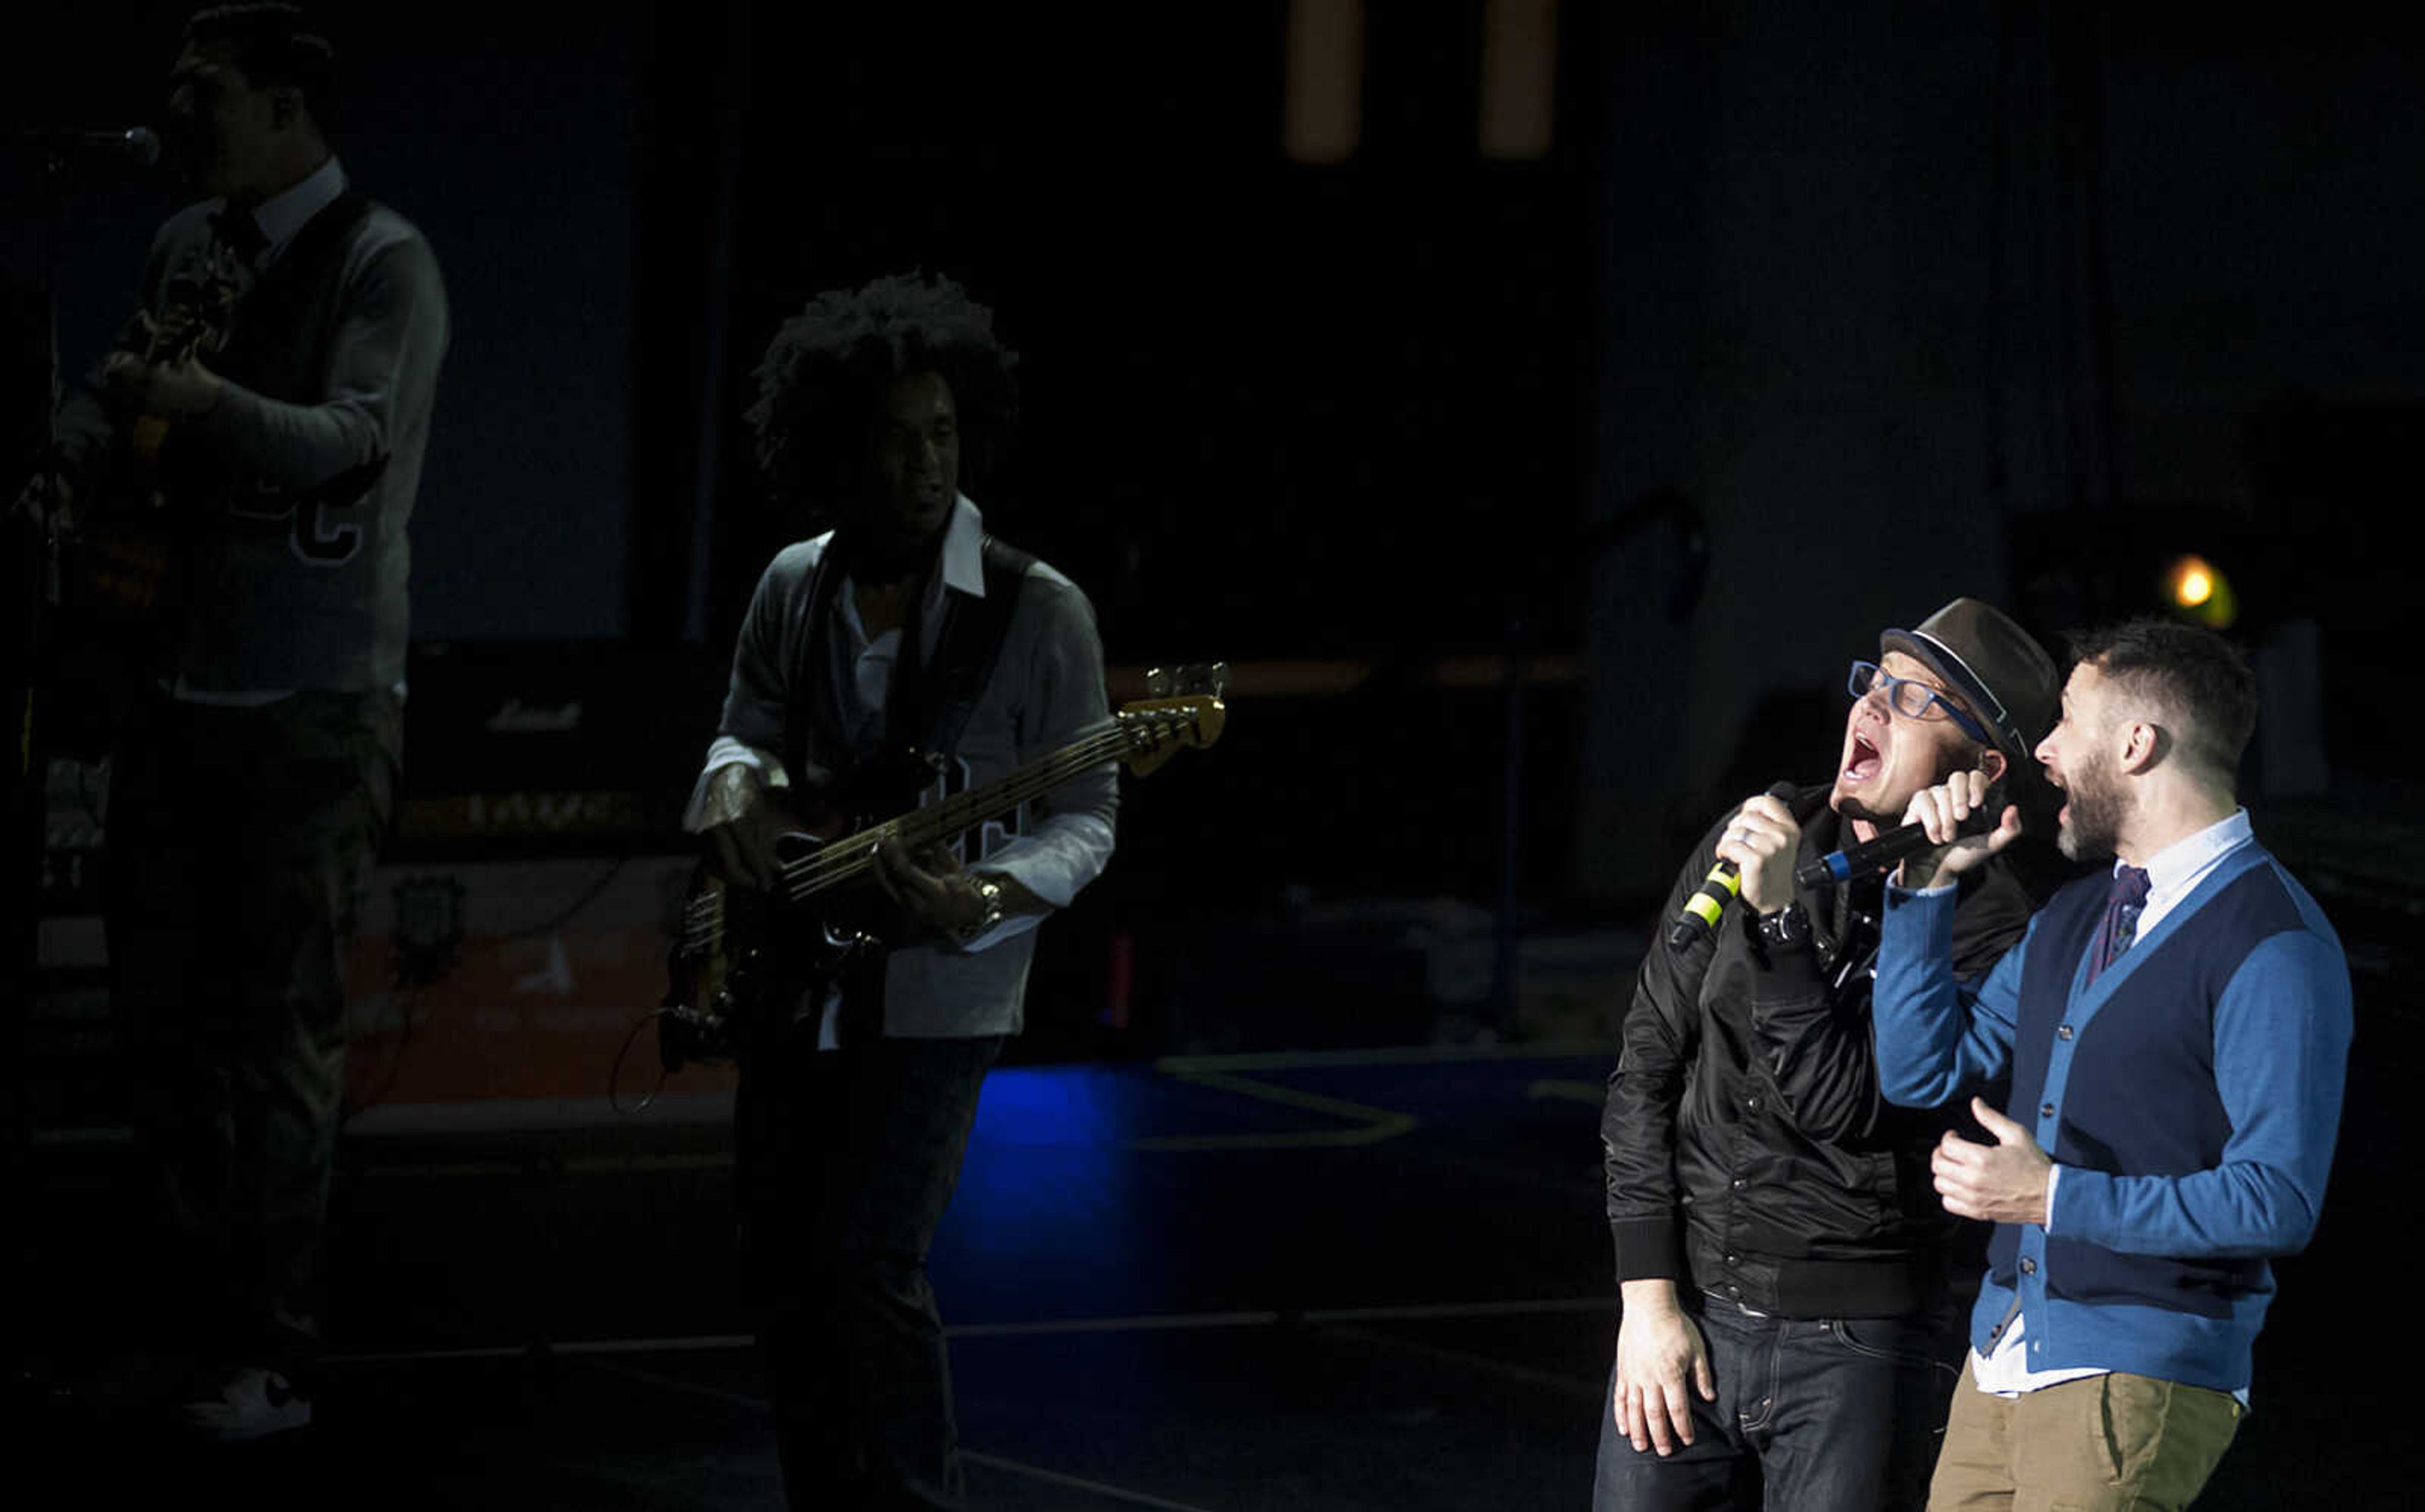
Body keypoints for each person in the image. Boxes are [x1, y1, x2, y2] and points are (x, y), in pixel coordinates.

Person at [29, 3, 447, 1441]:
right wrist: (73, 458)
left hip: (314, 706)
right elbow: (121, 391)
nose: (177, 113)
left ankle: (274, 1353)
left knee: (277, 1039)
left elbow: (354, 441)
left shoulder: (381, 260)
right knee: (162, 1035)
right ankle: (175, 1330)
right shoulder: (187, 244)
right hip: (174, 687)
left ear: (284, 105)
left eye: (201, 91)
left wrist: (204, 402)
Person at [688, 271, 1117, 1510]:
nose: (927, 463)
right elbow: (743, 735)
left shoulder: (1041, 611)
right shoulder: (795, 583)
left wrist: (987, 896)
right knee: (780, 1261)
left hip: (942, 990)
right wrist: (733, 790)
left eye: (943, 433)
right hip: (794, 974)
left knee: (872, 1255)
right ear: (838, 447)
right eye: (895, 437)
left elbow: (1091, 811)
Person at [1596, 597, 2064, 1511]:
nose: (1874, 709)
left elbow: (1850, 1108)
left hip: (1856, 1349)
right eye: (1875, 685)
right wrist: (1646, 1301)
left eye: (1917, 701)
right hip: (1686, 1316)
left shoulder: (1993, 924)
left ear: (1983, 767)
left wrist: (1778, 925)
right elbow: (1645, 1066)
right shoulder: (1762, 834)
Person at [1872, 618, 2352, 1510]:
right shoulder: (2074, 915)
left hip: (2138, 1373)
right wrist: (1924, 889)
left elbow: (2278, 1199)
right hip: (2006, 1353)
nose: (2043, 751)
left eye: (2066, 723)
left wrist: (2052, 1197)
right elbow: (1920, 1070)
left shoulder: (2274, 943)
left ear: (2137, 745)